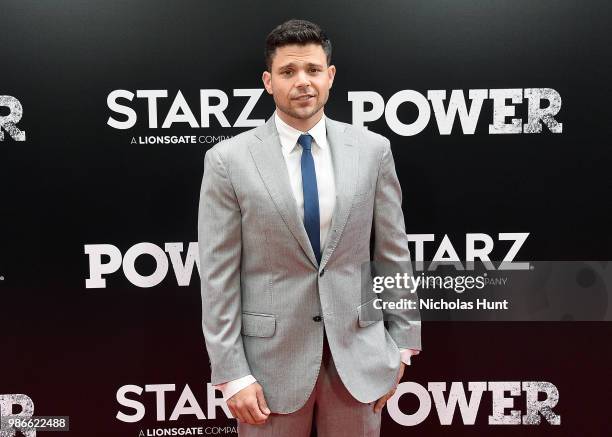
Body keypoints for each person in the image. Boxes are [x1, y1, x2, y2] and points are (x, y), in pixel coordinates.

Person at [198, 19, 421, 437]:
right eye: (288, 72)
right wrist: (231, 373)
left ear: (330, 76)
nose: (302, 82)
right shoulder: (228, 160)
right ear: (268, 81)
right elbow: (217, 276)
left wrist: (402, 350)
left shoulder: (372, 151)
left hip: (361, 360)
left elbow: (392, 253)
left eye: (313, 70)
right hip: (267, 369)